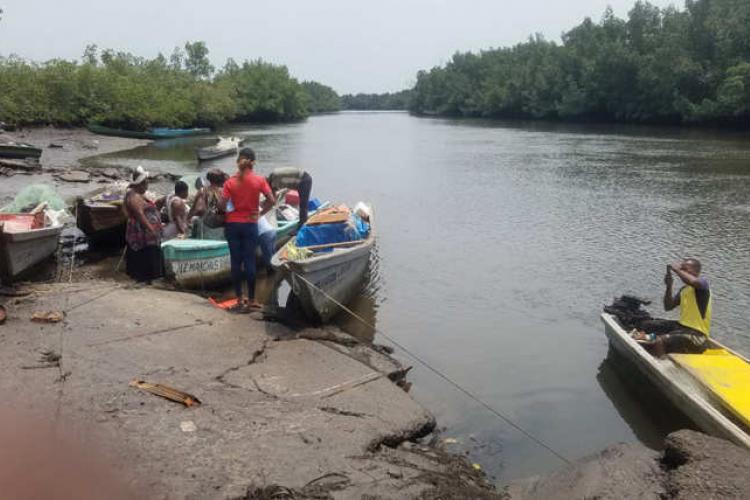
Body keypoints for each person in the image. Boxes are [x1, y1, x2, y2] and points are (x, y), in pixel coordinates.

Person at [220, 148, 275, 312]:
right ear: (253, 162)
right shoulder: (259, 180)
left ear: (239, 161)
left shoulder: (229, 182)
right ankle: (251, 300)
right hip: (250, 225)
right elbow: (271, 200)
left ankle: (239, 298)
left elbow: (222, 205)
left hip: (232, 225)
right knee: (249, 261)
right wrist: (259, 213)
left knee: (235, 262)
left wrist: (229, 210)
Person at [635, 258, 712, 357]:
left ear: (696, 271)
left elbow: (694, 282)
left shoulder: (703, 284)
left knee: (659, 341)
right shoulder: (684, 290)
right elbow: (668, 306)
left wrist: (677, 269)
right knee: (647, 325)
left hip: (696, 335)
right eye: (682, 268)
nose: (682, 271)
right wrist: (669, 286)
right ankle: (646, 341)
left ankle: (663, 365)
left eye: (685, 269)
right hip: (681, 327)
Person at [123, 166, 162, 283]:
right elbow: (139, 214)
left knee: (147, 257)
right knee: (144, 256)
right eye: (146, 183)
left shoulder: (137, 194)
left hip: (145, 233)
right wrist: (152, 229)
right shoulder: (134, 196)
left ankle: (146, 279)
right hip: (143, 234)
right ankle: (144, 279)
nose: (148, 185)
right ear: (141, 184)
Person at [190, 169, 228, 240]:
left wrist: (188, 218)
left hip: (208, 223)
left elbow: (199, 209)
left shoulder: (203, 191)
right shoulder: (225, 191)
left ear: (208, 179)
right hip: (224, 223)